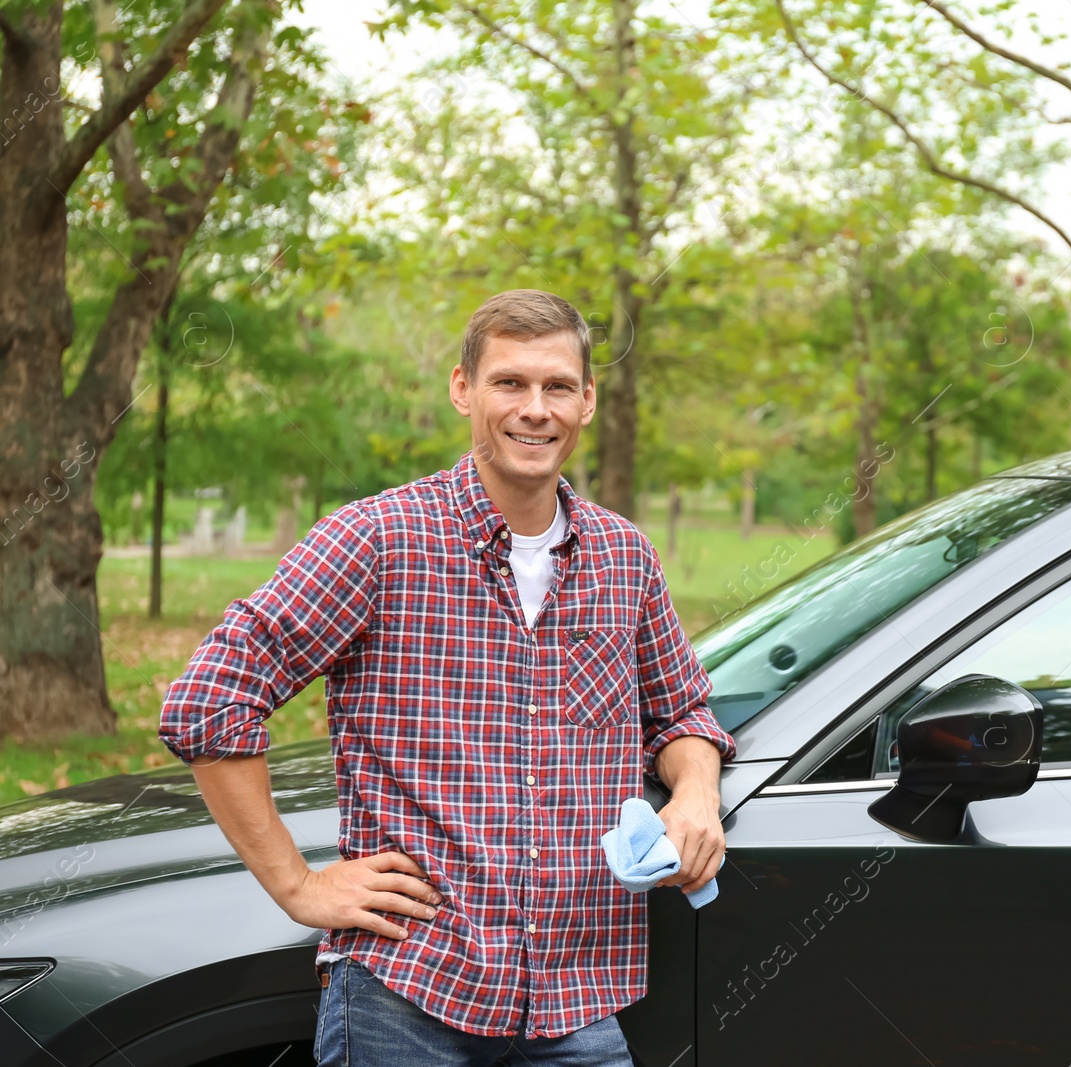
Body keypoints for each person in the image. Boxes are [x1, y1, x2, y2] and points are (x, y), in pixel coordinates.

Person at [158, 289, 736, 1066]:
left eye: (557, 386)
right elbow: (210, 701)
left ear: (587, 400)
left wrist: (697, 791)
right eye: (509, 382)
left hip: (575, 999)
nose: (535, 409)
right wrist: (297, 885)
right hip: (411, 992)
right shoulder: (377, 540)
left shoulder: (623, 557)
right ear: (463, 388)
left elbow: (683, 713)